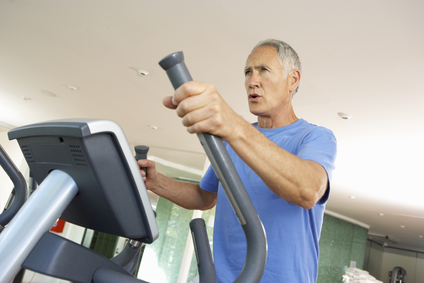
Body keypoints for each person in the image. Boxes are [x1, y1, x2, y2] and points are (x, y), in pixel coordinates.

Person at [138, 39, 337, 282]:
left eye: (263, 70)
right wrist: (156, 182)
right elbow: (205, 197)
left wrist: (234, 127)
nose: (252, 80)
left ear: (293, 80)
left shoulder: (315, 137)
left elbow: (307, 191)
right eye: (247, 72)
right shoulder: (233, 140)